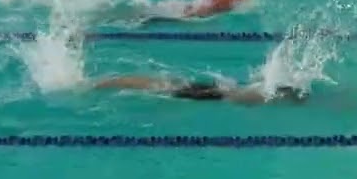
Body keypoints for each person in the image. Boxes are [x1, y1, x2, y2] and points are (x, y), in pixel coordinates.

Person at [93, 75, 307, 105]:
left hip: (219, 90)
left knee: (165, 86)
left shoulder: (260, 90)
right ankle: (114, 83)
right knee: (165, 89)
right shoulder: (261, 97)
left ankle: (114, 82)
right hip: (216, 94)